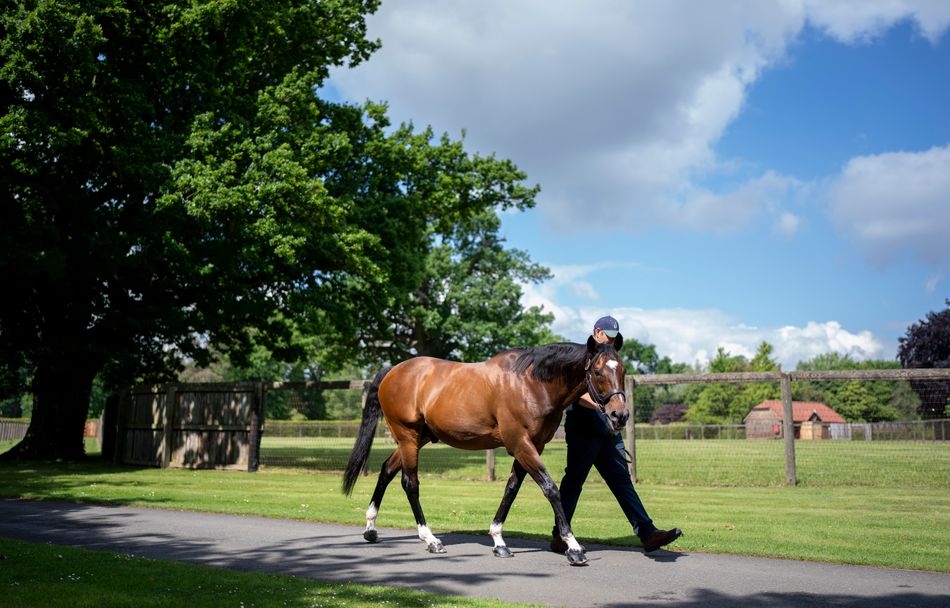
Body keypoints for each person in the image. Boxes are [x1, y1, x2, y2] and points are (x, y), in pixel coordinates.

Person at [551, 315, 682, 554]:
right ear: (597, 332)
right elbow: (572, 393)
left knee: (621, 480)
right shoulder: (579, 358)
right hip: (584, 425)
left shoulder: (612, 359)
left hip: (607, 427)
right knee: (574, 481)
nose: (611, 342)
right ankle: (560, 535)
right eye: (608, 337)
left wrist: (615, 410)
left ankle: (647, 533)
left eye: (614, 339)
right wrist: (605, 408)